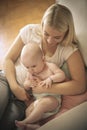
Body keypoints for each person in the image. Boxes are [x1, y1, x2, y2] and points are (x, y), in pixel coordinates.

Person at [0, 3, 87, 130]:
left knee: (8, 125)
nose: (50, 40)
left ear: (67, 31)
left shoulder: (68, 50)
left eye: (57, 37)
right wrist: (15, 87)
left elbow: (79, 86)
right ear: (42, 25)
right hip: (6, 81)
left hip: (28, 100)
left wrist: (45, 88)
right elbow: (8, 59)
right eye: (46, 33)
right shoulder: (30, 32)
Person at [15, 43, 66, 129]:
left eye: (34, 66)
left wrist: (51, 79)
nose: (31, 70)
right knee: (28, 111)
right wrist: (28, 84)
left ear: (43, 59)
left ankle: (26, 122)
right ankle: (35, 125)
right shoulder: (30, 73)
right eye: (27, 67)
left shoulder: (50, 67)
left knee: (42, 105)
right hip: (38, 100)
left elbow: (62, 75)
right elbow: (25, 86)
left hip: (53, 99)